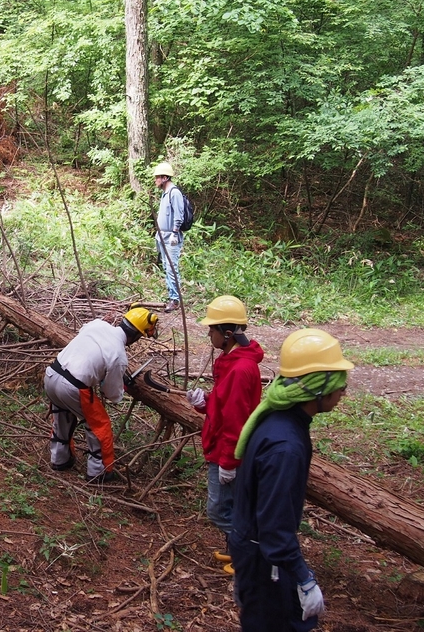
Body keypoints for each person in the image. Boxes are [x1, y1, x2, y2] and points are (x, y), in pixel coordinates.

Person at [230, 328, 354, 632]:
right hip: (265, 561)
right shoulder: (286, 447)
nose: (343, 392)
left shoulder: (279, 422)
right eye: (339, 384)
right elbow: (274, 527)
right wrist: (303, 577)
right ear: (317, 387)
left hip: (255, 550)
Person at [186, 295, 264, 574]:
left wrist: (229, 463)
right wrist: (203, 402)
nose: (209, 334)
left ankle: (249, 556)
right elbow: (224, 405)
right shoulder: (230, 361)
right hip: (222, 447)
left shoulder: (241, 369)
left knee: (219, 510)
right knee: (233, 506)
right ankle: (237, 551)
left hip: (227, 452)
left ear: (228, 333)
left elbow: (237, 420)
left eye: (212, 329)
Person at [45, 307, 159, 483]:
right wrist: (121, 386)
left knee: (62, 414)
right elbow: (112, 394)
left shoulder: (97, 325)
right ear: (137, 335)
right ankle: (99, 472)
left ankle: (60, 459)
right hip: (73, 387)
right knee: (99, 425)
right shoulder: (119, 356)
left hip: (52, 375)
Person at [152, 162, 185, 312]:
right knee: (166, 267)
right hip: (162, 236)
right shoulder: (165, 193)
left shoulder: (174, 193)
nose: (155, 180)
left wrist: (175, 233)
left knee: (172, 268)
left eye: (157, 177)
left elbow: (179, 215)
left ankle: (175, 300)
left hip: (171, 237)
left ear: (165, 178)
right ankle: (171, 295)